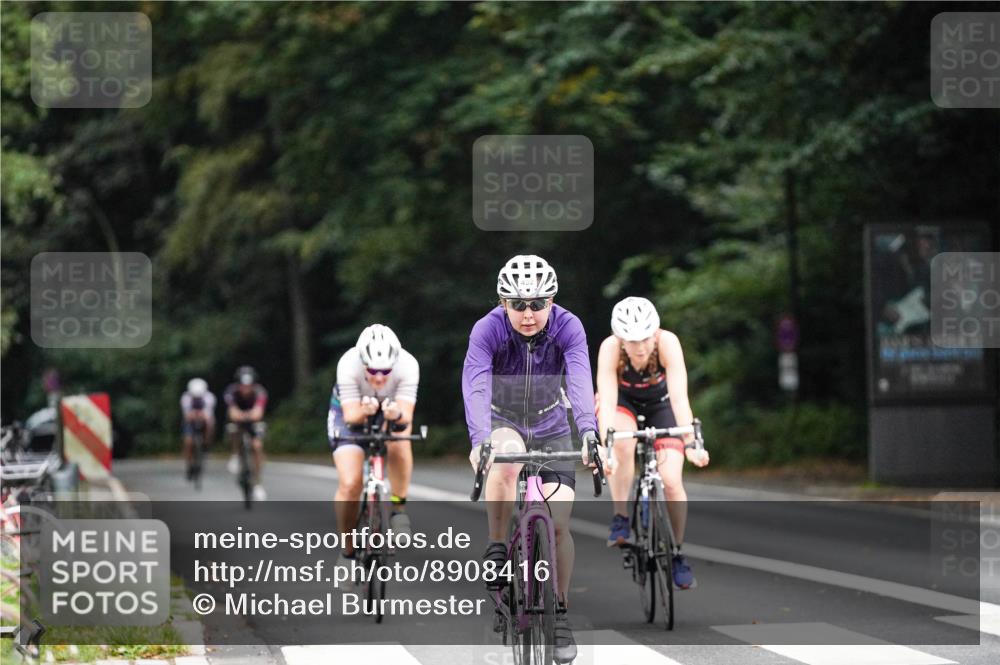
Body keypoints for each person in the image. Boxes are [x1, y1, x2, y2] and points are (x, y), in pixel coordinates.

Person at [463, 254, 608, 664]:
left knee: (559, 526)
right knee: (506, 458)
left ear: (552, 301)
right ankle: (496, 546)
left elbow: (580, 379)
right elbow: (474, 385)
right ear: (503, 303)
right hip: (503, 421)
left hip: (550, 425)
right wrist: (479, 440)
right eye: (518, 304)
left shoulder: (568, 326)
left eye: (538, 304)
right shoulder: (487, 329)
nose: (528, 314)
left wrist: (589, 432)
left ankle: (559, 611)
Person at [596, 296, 709, 589]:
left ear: (655, 332)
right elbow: (606, 402)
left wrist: (691, 442)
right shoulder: (609, 349)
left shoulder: (668, 343)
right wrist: (606, 448)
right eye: (632, 341)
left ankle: (677, 552)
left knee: (671, 480)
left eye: (646, 338)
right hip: (623, 404)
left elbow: (679, 397)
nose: (641, 347)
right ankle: (621, 516)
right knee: (623, 444)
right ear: (620, 339)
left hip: (661, 405)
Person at [328, 325, 420, 568]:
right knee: (350, 484)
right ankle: (347, 552)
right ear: (362, 363)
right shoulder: (348, 364)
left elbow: (405, 418)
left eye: (385, 371)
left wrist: (395, 414)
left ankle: (398, 509)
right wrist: (364, 411)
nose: (379, 377)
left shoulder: (408, 365)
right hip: (352, 411)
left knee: (399, 442)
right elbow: (350, 417)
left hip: (389, 408)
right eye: (372, 370)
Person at [224, 366, 268, 501]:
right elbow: (232, 412)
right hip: (238, 420)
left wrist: (247, 415)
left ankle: (258, 484)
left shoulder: (260, 392)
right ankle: (235, 454)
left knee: (257, 447)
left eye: (248, 385)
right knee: (232, 430)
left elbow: (258, 412)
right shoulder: (231, 392)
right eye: (243, 385)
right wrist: (241, 415)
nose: (245, 389)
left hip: (253, 421)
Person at [180, 378, 216, 479]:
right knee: (188, 442)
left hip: (204, 420)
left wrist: (199, 415)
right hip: (191, 422)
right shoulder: (186, 398)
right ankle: (188, 464)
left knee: (210, 424)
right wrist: (196, 415)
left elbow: (208, 415)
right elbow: (187, 415)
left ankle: (206, 444)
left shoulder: (209, 397)